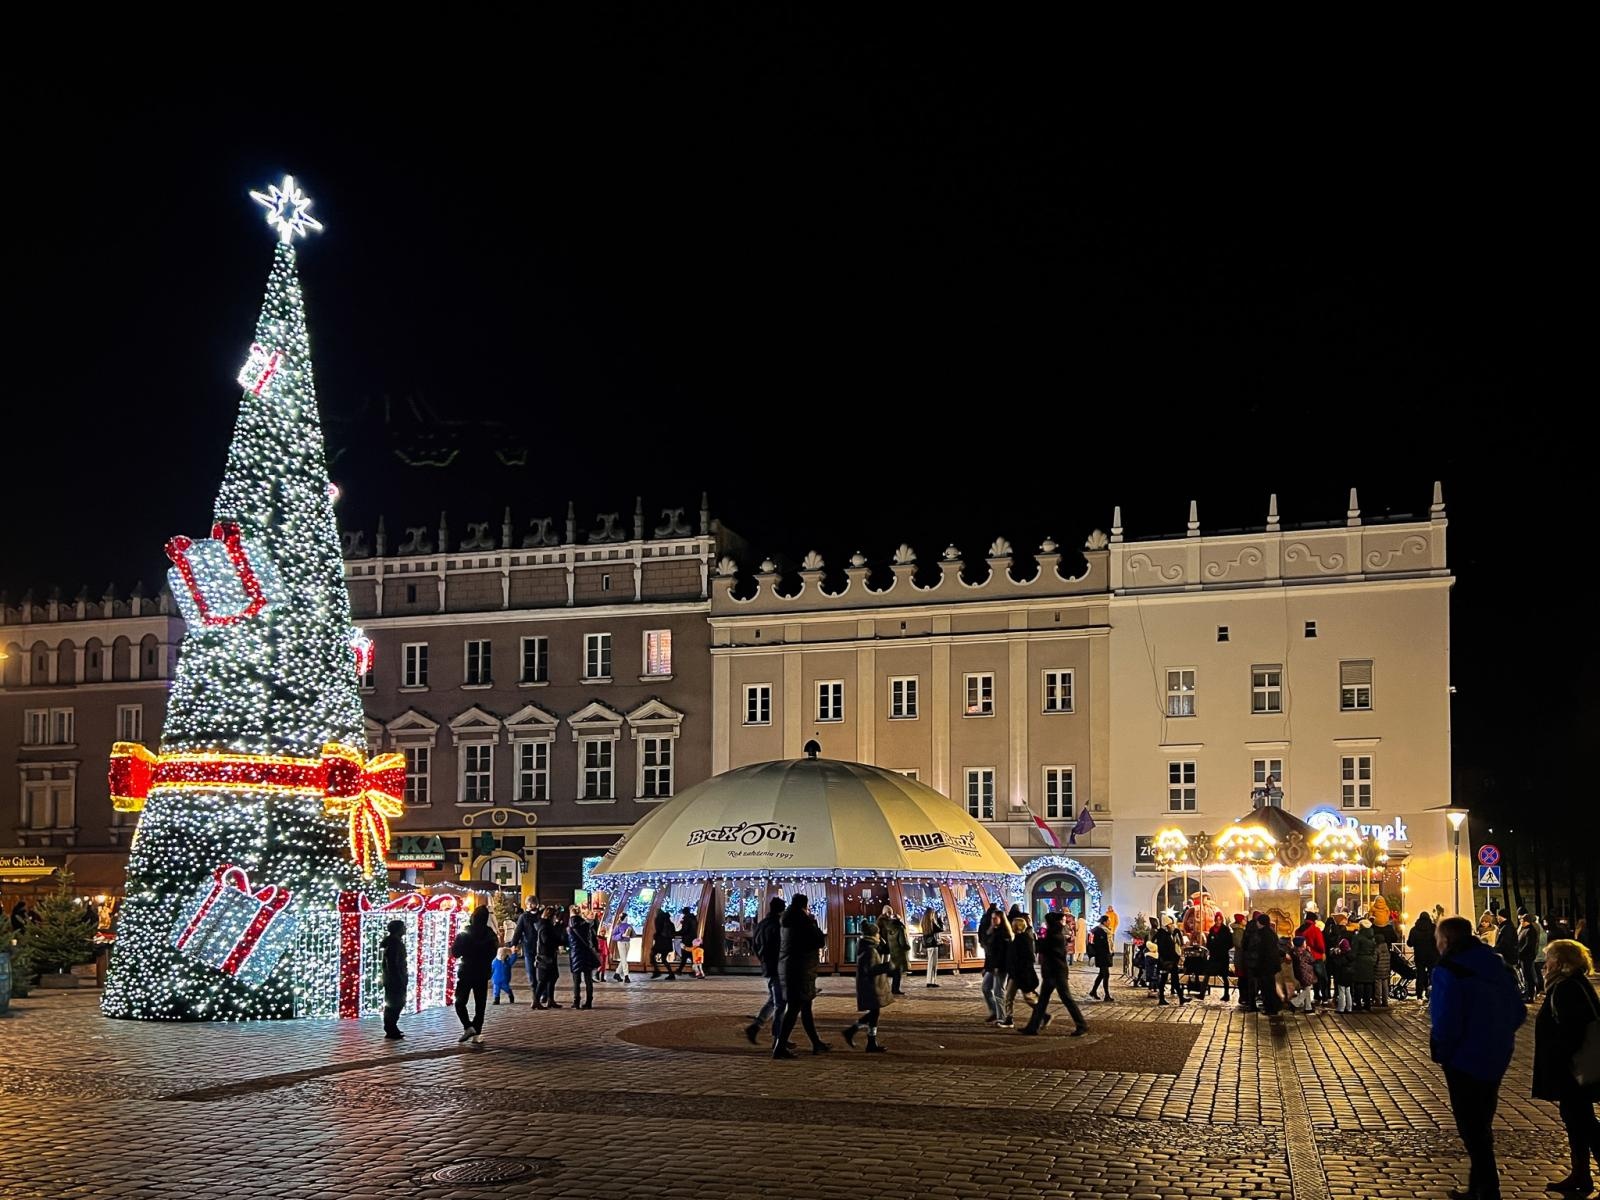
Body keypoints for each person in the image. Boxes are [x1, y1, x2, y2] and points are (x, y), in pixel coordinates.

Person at [1430, 915, 1527, 1200]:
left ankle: (1487, 1189)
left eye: (1437, 938)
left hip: (1463, 1057)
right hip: (1497, 1054)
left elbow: (1446, 1018)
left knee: (1471, 1128)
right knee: (1481, 1122)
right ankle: (1479, 1187)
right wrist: (1497, 1033)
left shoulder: (1449, 969)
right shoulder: (1494, 963)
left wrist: (1442, 1049)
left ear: (1446, 940)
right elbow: (1518, 1011)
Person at [1533, 938, 1600, 1194]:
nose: (1544, 964)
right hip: (1575, 1067)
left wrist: (1560, 1061)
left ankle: (1582, 1174)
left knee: (1584, 1123)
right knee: (1577, 1120)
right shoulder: (1573, 984)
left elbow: (1571, 1031)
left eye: (1548, 958)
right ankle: (1580, 1175)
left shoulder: (1565, 988)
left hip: (1573, 1069)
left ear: (1560, 963)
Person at [774, 893, 830, 1058]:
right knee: (794, 1009)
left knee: (805, 1007)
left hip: (790, 968)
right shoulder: (803, 921)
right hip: (801, 970)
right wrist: (813, 922)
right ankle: (780, 1047)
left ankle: (816, 1043)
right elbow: (819, 940)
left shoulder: (787, 920)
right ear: (804, 906)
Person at [1020, 910, 1087, 1037]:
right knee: (1043, 1001)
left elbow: (1047, 950)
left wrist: (1038, 941)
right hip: (1052, 972)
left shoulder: (1055, 936)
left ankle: (1082, 1024)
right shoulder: (1054, 934)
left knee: (1066, 999)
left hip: (1056, 973)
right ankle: (1032, 1027)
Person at [841, 918, 893, 1052]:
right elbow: (871, 970)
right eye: (878, 934)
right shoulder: (869, 950)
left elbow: (884, 948)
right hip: (871, 986)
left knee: (874, 1013)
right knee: (874, 1013)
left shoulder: (869, 946)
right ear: (873, 935)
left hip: (871, 985)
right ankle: (855, 1032)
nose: (879, 936)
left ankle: (869, 1040)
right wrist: (888, 966)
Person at [450, 905, 499, 1045]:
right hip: (482, 972)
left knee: (460, 1001)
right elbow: (493, 953)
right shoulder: (490, 934)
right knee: (480, 1004)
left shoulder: (465, 933)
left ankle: (468, 1026)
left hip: (466, 971)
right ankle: (476, 1030)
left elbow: (455, 952)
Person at [746, 896, 787, 1045]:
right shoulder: (778, 925)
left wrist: (763, 960)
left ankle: (757, 1026)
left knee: (774, 1000)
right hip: (778, 967)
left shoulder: (762, 924)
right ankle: (778, 1038)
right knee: (780, 1003)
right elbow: (780, 947)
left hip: (768, 966)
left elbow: (755, 946)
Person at [1000, 912, 1040, 1027]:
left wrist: (1016, 969)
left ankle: (1042, 1013)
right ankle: (1009, 1018)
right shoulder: (1017, 938)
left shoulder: (1023, 939)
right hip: (1015, 973)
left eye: (1013, 924)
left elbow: (1028, 958)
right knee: (1009, 997)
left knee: (1028, 997)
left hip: (1020, 974)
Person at [510, 900, 544, 1005]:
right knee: (531, 973)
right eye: (528, 904)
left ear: (536, 905)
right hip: (529, 947)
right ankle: (535, 996)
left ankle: (544, 994)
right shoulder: (523, 917)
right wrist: (514, 944)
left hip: (542, 948)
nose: (530, 906)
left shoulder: (541, 915)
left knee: (543, 972)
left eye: (532, 904)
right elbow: (518, 931)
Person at [981, 908, 1012, 1022]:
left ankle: (1001, 1017)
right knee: (985, 988)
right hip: (991, 966)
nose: (993, 920)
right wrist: (986, 967)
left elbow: (1003, 953)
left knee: (998, 991)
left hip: (1000, 967)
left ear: (1001, 919)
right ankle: (994, 1011)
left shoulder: (1004, 934)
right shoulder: (993, 931)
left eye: (995, 918)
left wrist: (998, 967)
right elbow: (989, 952)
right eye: (992, 918)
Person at [380, 918, 408, 1040]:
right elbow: (393, 963)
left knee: (395, 1002)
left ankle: (392, 1027)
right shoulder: (394, 944)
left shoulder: (394, 942)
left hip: (393, 978)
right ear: (398, 929)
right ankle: (390, 1028)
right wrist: (399, 978)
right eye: (403, 927)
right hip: (395, 979)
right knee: (396, 1003)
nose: (405, 929)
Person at [568, 910, 600, 1009]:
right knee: (588, 980)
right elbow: (594, 940)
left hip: (575, 955)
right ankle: (589, 1002)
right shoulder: (586, 925)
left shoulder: (569, 927)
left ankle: (576, 1001)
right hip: (586, 954)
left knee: (576, 981)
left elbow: (565, 940)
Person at [535, 906, 565, 1008]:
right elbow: (546, 940)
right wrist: (557, 942)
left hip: (550, 955)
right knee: (543, 980)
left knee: (552, 978)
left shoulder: (547, 925)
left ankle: (550, 999)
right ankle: (536, 1000)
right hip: (545, 956)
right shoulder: (544, 926)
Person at [879, 905, 910, 995]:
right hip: (896, 951)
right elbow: (902, 942)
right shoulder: (899, 928)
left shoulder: (889, 926)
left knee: (893, 968)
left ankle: (891, 988)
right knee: (896, 970)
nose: (890, 914)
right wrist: (907, 947)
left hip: (891, 949)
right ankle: (894, 989)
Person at [1154, 917, 1185, 1007]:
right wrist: (1174, 957)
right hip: (1168, 961)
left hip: (1167, 961)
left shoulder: (1164, 934)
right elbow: (1166, 949)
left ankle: (1165, 998)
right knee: (1171, 980)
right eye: (1170, 924)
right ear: (1167, 925)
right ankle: (1179, 998)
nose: (1172, 926)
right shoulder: (1164, 935)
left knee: (1166, 980)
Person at [1298, 912, 1327, 1005]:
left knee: (1310, 979)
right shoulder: (1315, 930)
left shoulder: (1299, 930)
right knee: (1321, 977)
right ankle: (1323, 996)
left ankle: (1312, 998)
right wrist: (1322, 952)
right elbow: (1321, 945)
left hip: (1304, 957)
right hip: (1316, 956)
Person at [1409, 911, 1439, 1002]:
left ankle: (1419, 996)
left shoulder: (1414, 929)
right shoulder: (1434, 928)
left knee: (1420, 975)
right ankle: (1433, 994)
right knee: (1432, 975)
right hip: (1432, 956)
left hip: (1419, 956)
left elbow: (1410, 943)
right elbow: (1438, 940)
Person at [1205, 914, 1232, 1003]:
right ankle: (1202, 993)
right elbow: (1208, 941)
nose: (1218, 921)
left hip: (1222, 956)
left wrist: (1223, 948)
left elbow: (1230, 942)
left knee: (1224, 976)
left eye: (1220, 919)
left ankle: (1226, 994)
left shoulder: (1225, 930)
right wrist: (1210, 947)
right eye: (1217, 919)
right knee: (1208, 973)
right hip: (1214, 956)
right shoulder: (1212, 929)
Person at [1088, 913, 1115, 1002]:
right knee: (1105, 974)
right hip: (1101, 955)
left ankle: (1093, 991)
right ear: (1104, 922)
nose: (1110, 922)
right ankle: (1107, 995)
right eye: (1108, 921)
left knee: (1102, 974)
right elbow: (1092, 944)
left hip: (1106, 955)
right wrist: (1092, 955)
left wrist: (1111, 951)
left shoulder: (1107, 931)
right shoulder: (1097, 931)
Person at [1230, 913, 1252, 1009]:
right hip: (1240, 958)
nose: (1245, 921)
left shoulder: (1241, 930)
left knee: (1243, 978)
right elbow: (1239, 944)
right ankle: (1242, 997)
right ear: (1240, 921)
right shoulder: (1238, 931)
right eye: (1244, 919)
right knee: (1242, 978)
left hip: (1242, 957)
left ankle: (1244, 997)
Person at [920, 904, 945, 987]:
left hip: (928, 944)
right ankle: (931, 981)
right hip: (933, 944)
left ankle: (930, 981)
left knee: (931, 963)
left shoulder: (924, 922)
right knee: (933, 963)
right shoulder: (931, 923)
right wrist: (940, 919)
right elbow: (941, 929)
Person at [1517, 915, 1540, 1003]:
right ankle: (1527, 993)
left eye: (1522, 920)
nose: (1520, 922)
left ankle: (1530, 995)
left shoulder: (1530, 931)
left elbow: (1528, 945)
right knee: (1526, 976)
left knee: (1528, 976)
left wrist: (1520, 952)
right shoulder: (1525, 929)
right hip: (1524, 956)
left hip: (1527, 957)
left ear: (1527, 921)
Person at [1328, 936, 1355, 1012]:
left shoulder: (1342, 956)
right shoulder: (1351, 955)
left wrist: (1334, 955)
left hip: (1342, 975)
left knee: (1341, 992)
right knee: (1348, 991)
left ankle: (1341, 1008)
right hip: (1350, 975)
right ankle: (1349, 1008)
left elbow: (1337, 963)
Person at [650, 908, 675, 979]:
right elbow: (673, 934)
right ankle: (671, 974)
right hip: (668, 943)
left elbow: (658, 930)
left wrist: (656, 936)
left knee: (652, 955)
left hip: (660, 942)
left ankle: (657, 971)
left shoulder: (659, 920)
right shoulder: (671, 924)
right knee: (664, 959)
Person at [678, 907, 700, 978]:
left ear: (684, 912)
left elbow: (685, 930)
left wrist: (675, 933)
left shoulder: (687, 919)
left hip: (687, 940)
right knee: (689, 956)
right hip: (693, 940)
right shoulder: (693, 918)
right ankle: (680, 970)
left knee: (686, 955)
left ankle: (696, 971)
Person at [610, 917, 633, 982]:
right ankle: (626, 976)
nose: (627, 919)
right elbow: (613, 936)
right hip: (621, 943)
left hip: (627, 943)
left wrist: (630, 933)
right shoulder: (618, 926)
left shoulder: (629, 925)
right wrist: (622, 935)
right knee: (624, 960)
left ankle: (617, 973)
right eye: (626, 917)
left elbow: (633, 934)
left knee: (624, 959)